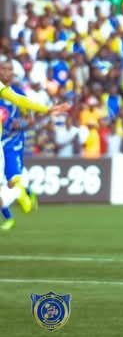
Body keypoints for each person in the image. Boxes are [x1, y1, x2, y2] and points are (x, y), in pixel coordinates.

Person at [0, 59, 70, 230]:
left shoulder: (12, 92)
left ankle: (21, 196)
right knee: (10, 180)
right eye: (3, 69)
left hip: (13, 140)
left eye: (8, 69)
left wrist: (43, 111)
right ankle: (22, 195)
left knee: (12, 178)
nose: (5, 72)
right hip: (3, 139)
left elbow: (24, 108)